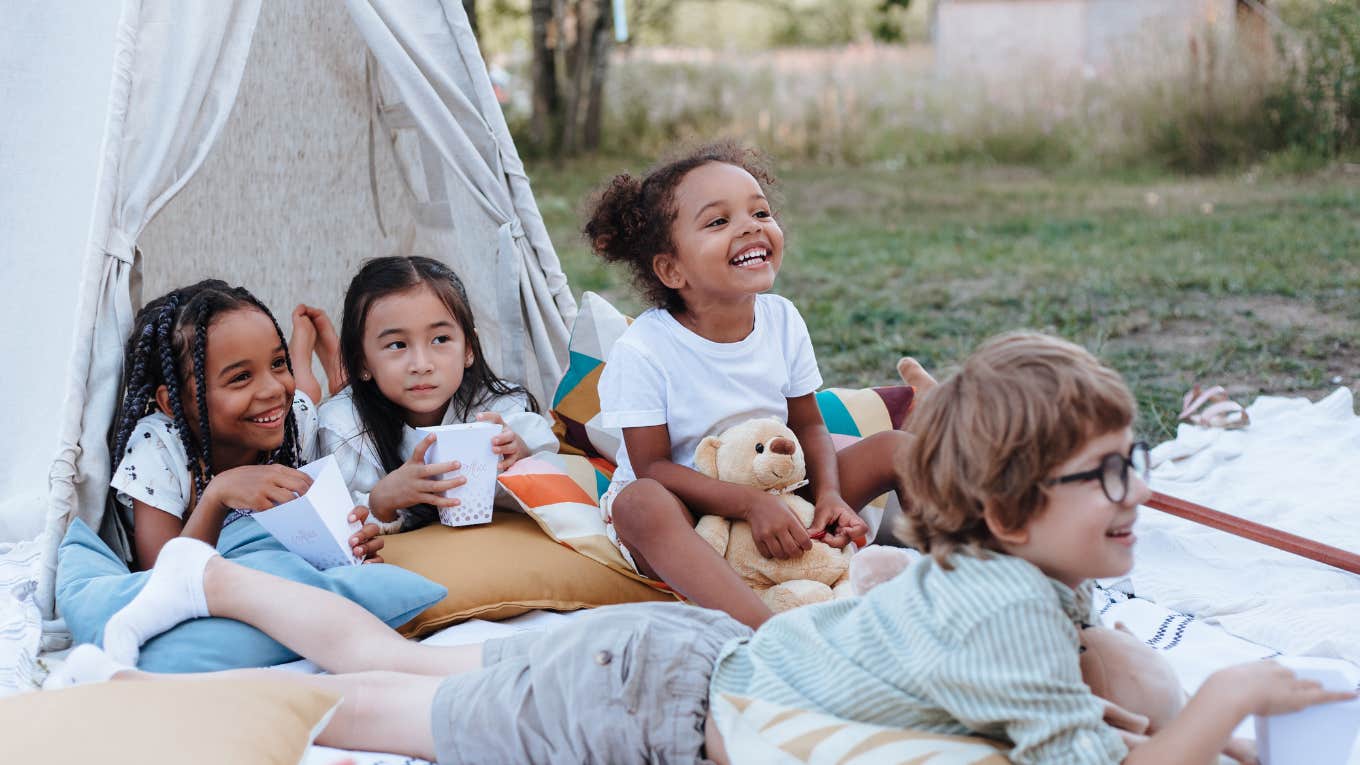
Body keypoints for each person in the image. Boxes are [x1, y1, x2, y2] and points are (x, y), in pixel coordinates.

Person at [49, 331, 1353, 764]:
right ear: (1011, 517)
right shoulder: (1012, 614)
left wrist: (1185, 719)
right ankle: (176, 658)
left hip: (679, 663)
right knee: (361, 704)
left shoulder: (1003, 586)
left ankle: (210, 582)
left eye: (1137, 463)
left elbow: (1096, 694)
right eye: (1105, 475)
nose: (1136, 496)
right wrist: (1227, 700)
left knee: (411, 664)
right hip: (653, 711)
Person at [583, 141, 913, 628]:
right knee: (639, 504)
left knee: (896, 448)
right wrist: (749, 504)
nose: (751, 226)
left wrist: (828, 496)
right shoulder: (644, 349)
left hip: (782, 495)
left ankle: (972, 573)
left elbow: (808, 425)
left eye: (760, 211)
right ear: (672, 269)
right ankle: (768, 634)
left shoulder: (781, 319)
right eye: (718, 222)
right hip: (689, 518)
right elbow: (652, 466)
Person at [108, 279, 385, 569]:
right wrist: (217, 495)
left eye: (278, 362)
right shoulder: (156, 449)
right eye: (240, 377)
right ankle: (300, 358)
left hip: (296, 407)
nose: (272, 388)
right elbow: (162, 578)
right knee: (296, 394)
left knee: (307, 397)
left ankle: (311, 361)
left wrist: (352, 542)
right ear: (171, 403)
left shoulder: (293, 423)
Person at [318, 256, 556, 534]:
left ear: (469, 348)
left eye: (440, 340)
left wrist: (520, 456)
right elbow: (333, 522)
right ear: (362, 363)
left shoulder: (498, 409)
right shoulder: (345, 427)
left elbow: (551, 472)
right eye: (397, 345)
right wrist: (381, 501)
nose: (421, 365)